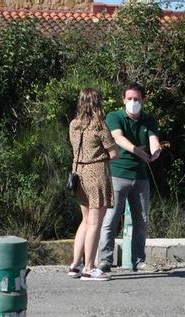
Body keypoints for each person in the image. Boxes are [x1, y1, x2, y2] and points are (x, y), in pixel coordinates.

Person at [96, 82, 162, 273]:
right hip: (118, 174)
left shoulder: (149, 120)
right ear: (123, 100)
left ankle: (138, 260)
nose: (133, 102)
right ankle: (105, 260)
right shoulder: (114, 116)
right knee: (111, 219)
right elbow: (117, 137)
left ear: (143, 100)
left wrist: (155, 150)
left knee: (141, 219)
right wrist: (136, 151)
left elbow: (153, 139)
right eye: (130, 99)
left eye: (137, 99)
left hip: (141, 177)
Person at [67, 88, 118, 281]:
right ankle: (89, 267)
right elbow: (114, 153)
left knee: (85, 221)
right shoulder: (99, 126)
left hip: (78, 174)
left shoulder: (74, 125)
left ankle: (75, 264)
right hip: (96, 174)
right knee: (95, 223)